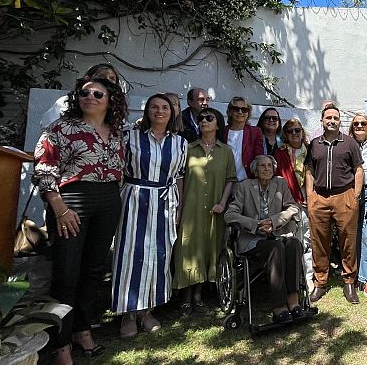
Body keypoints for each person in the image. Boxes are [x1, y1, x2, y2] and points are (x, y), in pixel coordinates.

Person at [33, 77, 128, 364]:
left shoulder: (117, 132)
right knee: (66, 272)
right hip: (70, 203)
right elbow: (44, 168)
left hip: (108, 201)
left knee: (94, 270)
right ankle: (60, 342)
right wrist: (59, 208)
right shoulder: (61, 128)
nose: (90, 96)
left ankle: (82, 329)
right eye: (84, 92)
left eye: (98, 93)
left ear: (109, 99)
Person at [112, 94, 187, 337]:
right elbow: (118, 170)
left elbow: (180, 178)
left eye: (165, 107)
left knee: (158, 255)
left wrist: (179, 209)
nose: (160, 111)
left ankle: (147, 311)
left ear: (172, 113)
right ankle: (128, 313)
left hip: (164, 201)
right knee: (130, 254)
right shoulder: (129, 136)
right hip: (134, 199)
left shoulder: (179, 143)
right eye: (154, 106)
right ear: (147, 111)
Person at [224, 155, 303, 324]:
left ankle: (293, 300)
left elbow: (293, 207)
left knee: (294, 244)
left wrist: (275, 222)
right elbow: (230, 214)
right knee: (275, 247)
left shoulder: (280, 183)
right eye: (262, 166)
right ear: (255, 170)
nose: (267, 169)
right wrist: (256, 224)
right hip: (253, 240)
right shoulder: (245, 186)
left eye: (269, 166)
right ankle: (279, 306)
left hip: (277, 233)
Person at [173, 107, 236, 315]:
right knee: (188, 248)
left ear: (218, 124)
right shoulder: (188, 148)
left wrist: (223, 203)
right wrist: (179, 207)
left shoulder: (226, 151)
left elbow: (230, 180)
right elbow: (179, 179)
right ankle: (185, 296)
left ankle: (199, 295)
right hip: (190, 208)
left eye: (209, 118)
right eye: (200, 118)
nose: (204, 121)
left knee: (209, 248)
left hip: (214, 210)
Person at [305, 103, 364, 304]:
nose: (332, 121)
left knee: (347, 242)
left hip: (344, 196)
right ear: (322, 121)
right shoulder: (314, 144)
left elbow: (358, 170)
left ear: (340, 121)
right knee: (319, 242)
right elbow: (309, 171)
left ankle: (349, 282)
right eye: (328, 118)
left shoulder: (350, 143)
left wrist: (355, 195)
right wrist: (310, 197)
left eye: (335, 118)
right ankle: (320, 282)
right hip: (319, 198)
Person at [273, 119, 313, 288]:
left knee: (308, 238)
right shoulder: (280, 153)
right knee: (292, 239)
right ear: (285, 135)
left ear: (302, 132)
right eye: (290, 131)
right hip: (288, 200)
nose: (295, 133)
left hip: (309, 197)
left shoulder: (311, 150)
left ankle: (308, 276)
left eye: (298, 130)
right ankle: (295, 277)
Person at [39, 64, 122, 129]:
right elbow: (49, 129)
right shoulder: (65, 102)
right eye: (101, 76)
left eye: (112, 78)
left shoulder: (116, 109)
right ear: (88, 79)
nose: (106, 80)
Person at [349, 113, 367, 298]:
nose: (359, 126)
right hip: (349, 194)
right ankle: (352, 275)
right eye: (356, 123)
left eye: (363, 123)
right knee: (351, 235)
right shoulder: (346, 144)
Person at [224, 96, 264, 181]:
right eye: (236, 109)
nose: (240, 112)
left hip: (247, 181)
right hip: (224, 181)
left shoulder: (255, 132)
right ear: (230, 112)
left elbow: (259, 156)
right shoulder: (222, 131)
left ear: (248, 114)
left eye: (244, 109)